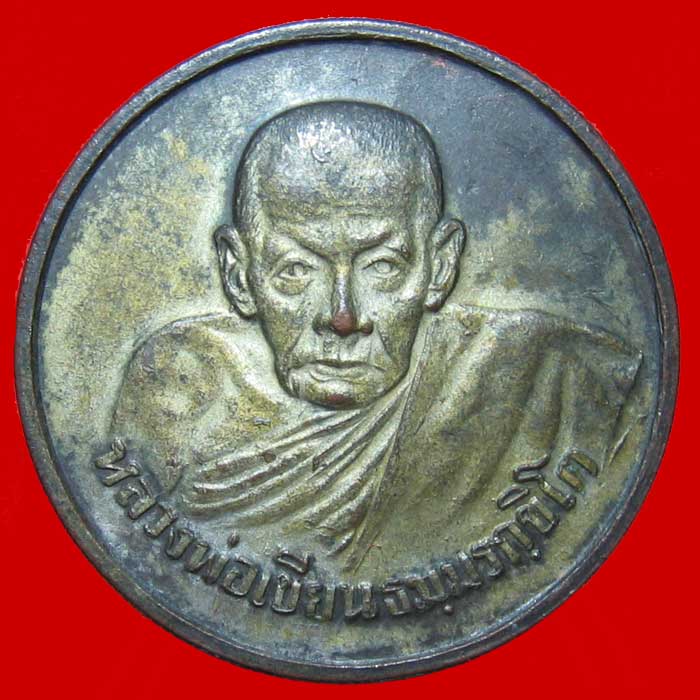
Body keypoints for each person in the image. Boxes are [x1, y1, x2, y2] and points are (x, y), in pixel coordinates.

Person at [112, 101, 640, 574]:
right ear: (237, 274)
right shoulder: (183, 387)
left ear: (440, 265)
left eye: (382, 266)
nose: (342, 318)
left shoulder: (548, 377)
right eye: (296, 269)